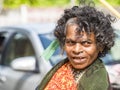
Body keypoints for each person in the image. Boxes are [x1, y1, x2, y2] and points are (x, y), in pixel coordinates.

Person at [36, 1, 115, 90]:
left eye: (86, 43)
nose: (77, 50)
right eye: (70, 42)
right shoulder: (61, 68)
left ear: (100, 46)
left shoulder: (98, 81)